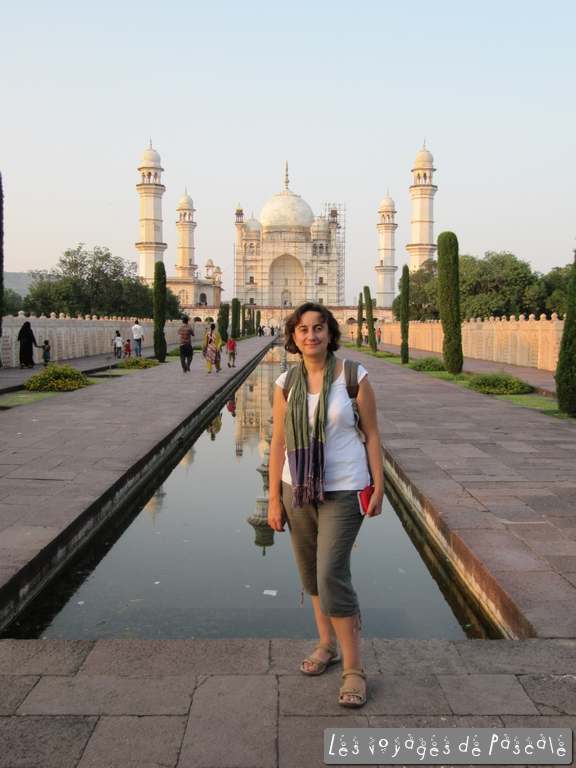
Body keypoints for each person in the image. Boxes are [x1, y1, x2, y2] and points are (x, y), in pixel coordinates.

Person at [268, 302, 384, 709]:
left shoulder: (353, 377)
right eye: (302, 329)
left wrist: (380, 485)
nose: (311, 335)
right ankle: (326, 644)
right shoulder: (285, 383)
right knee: (311, 574)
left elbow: (372, 434)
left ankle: (354, 668)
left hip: (345, 489)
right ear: (293, 337)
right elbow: (279, 442)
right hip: (296, 488)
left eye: (318, 328)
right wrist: (273, 499)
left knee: (331, 571)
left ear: (331, 333)